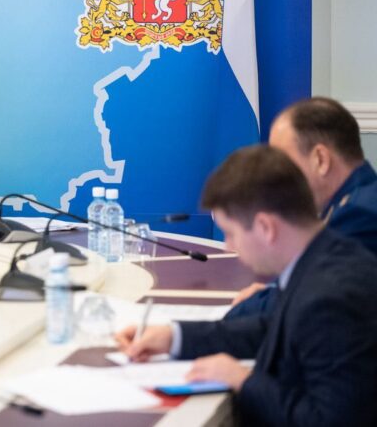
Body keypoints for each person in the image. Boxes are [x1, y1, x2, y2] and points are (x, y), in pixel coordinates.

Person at [116, 145, 377, 426]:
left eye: (230, 233)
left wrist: (242, 379)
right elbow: (270, 329)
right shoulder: (322, 257)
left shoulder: (329, 295)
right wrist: (175, 337)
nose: (228, 246)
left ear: (266, 227)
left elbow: (326, 421)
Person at [225, 97, 377, 319]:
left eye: (283, 163)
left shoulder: (358, 216)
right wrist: (271, 292)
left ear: (320, 160)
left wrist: (248, 307)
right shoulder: (353, 201)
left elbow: (304, 300)